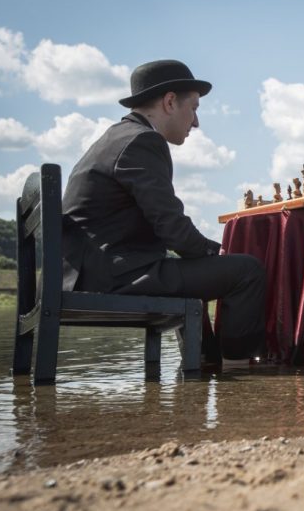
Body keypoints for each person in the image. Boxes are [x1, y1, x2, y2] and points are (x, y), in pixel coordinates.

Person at [61, 59, 267, 360]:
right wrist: (217, 252)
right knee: (248, 271)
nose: (195, 122)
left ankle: (209, 367)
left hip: (93, 271)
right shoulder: (142, 141)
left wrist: (204, 257)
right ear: (170, 102)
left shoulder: (116, 138)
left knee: (196, 277)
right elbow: (171, 226)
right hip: (113, 277)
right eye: (194, 108)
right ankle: (239, 368)